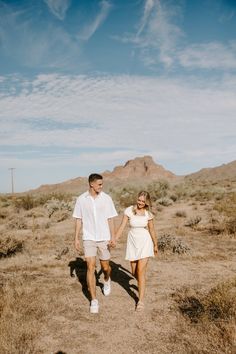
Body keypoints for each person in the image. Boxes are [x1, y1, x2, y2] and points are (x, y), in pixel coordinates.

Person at [73, 173, 117, 314]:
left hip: (104, 238)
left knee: (105, 267)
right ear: (91, 184)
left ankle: (106, 279)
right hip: (89, 238)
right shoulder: (81, 199)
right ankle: (94, 300)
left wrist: (113, 236)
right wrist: (76, 238)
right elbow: (78, 219)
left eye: (102, 184)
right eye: (99, 184)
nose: (101, 186)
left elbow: (111, 219)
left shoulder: (107, 198)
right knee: (90, 267)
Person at [115, 191, 158, 311]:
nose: (140, 203)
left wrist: (155, 244)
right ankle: (141, 282)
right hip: (132, 243)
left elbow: (152, 230)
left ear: (147, 202)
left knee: (140, 271)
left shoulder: (148, 214)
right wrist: (115, 239)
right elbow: (122, 226)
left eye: (143, 201)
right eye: (139, 200)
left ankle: (140, 301)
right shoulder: (129, 210)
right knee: (134, 272)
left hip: (145, 242)